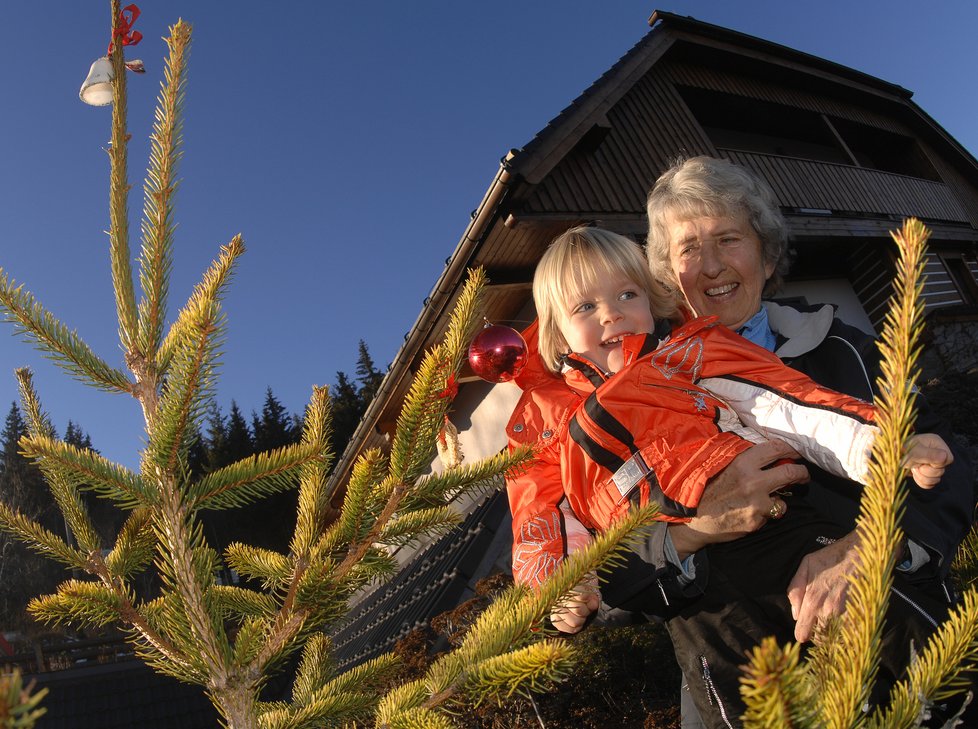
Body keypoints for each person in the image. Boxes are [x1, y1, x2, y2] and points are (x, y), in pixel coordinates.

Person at [505, 225, 960, 727]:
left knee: (902, 638)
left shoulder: (687, 356)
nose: (611, 313)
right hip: (696, 601)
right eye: (584, 308)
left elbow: (791, 407)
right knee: (740, 708)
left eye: (626, 294)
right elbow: (541, 512)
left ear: (653, 299)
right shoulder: (548, 426)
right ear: (554, 331)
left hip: (783, 537)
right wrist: (561, 588)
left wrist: (888, 447)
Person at [625, 155, 975, 727]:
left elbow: (949, 462)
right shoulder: (643, 391)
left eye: (729, 238)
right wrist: (691, 530)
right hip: (745, 676)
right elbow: (609, 560)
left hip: (892, 640)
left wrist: (873, 545)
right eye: (688, 248)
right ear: (669, 274)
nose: (711, 265)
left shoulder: (848, 349)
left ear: (764, 253)